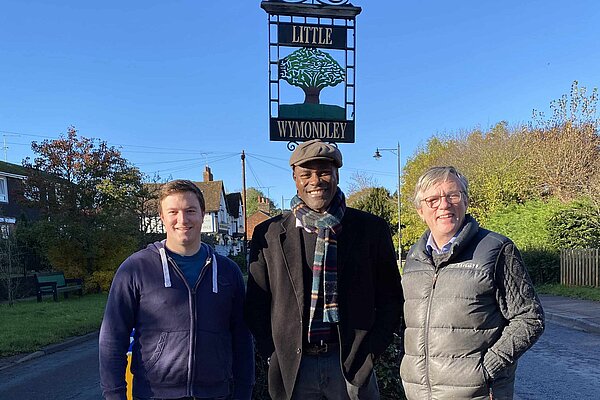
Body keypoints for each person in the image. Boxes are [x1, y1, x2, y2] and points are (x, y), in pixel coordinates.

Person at [245, 139, 403, 400]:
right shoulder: (270, 234)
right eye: (306, 174)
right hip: (293, 369)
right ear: (295, 178)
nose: (315, 181)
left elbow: (391, 299)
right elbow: (256, 303)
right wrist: (273, 353)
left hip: (351, 366)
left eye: (324, 172)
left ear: (337, 175)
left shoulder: (371, 230)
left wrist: (370, 355)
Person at [99, 179, 254, 400]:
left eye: (190, 210)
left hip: (217, 394)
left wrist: (243, 393)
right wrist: (115, 396)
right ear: (162, 217)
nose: (182, 219)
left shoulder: (228, 272)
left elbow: (242, 339)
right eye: (173, 212)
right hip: (154, 395)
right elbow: (112, 339)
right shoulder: (135, 269)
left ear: (202, 213)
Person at [400, 166, 545, 400]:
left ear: (466, 201)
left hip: (476, 393)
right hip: (418, 393)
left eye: (452, 195)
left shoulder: (496, 250)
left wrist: (485, 369)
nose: (444, 205)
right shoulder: (414, 260)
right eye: (433, 200)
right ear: (421, 210)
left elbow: (530, 317)